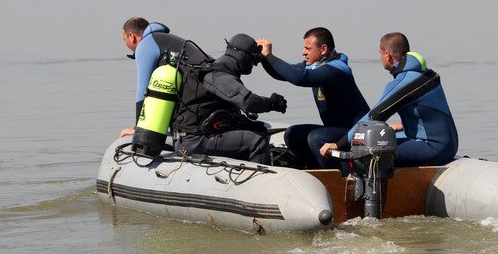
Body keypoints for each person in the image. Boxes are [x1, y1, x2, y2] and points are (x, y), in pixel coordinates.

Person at [320, 32, 458, 167]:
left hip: (433, 148)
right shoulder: (425, 73)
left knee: (367, 153)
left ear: (387, 55)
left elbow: (373, 117)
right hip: (450, 145)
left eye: (380, 53)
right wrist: (402, 125)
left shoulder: (404, 82)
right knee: (383, 140)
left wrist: (338, 144)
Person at [257, 27, 369, 169]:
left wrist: (269, 56)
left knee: (317, 137)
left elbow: (300, 78)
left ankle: (337, 178)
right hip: (336, 131)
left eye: (308, 48)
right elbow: (282, 73)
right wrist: (263, 57)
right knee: (293, 134)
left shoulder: (338, 69)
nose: (303, 52)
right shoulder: (314, 66)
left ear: (323, 49)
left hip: (356, 133)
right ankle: (314, 172)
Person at [172, 33, 288, 164]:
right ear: (243, 55)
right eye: (253, 59)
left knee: (259, 130)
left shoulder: (223, 73)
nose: (253, 65)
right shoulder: (218, 76)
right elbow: (248, 102)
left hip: (202, 135)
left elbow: (225, 111)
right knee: (257, 141)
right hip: (194, 140)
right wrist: (271, 103)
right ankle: (266, 182)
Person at [119, 17, 208, 138]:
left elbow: (143, 88)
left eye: (124, 40)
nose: (126, 43)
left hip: (196, 98)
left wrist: (138, 129)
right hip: (205, 93)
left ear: (131, 37)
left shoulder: (145, 45)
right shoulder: (166, 39)